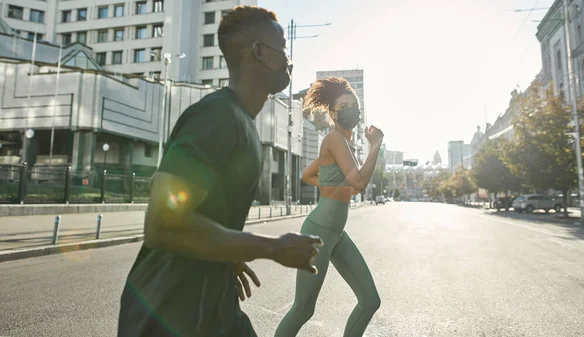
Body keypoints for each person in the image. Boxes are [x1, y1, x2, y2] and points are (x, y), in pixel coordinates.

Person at [117, 6, 323, 337]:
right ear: (258, 52)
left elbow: (206, 214)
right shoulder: (217, 117)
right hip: (166, 313)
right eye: (283, 49)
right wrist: (272, 247)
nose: (288, 60)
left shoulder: (241, 121)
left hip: (213, 307)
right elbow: (162, 225)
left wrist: (227, 252)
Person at [275, 77, 384, 337]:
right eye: (344, 106)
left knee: (370, 301)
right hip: (319, 232)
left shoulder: (344, 144)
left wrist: (332, 188)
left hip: (336, 233)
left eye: (354, 105)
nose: (351, 110)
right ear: (333, 113)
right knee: (303, 309)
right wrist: (376, 146)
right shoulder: (334, 139)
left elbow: (308, 175)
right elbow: (358, 181)